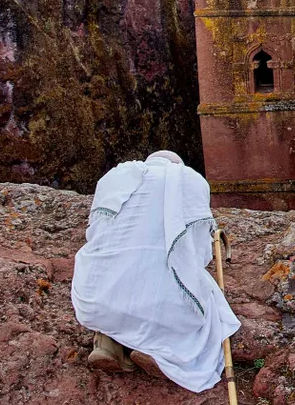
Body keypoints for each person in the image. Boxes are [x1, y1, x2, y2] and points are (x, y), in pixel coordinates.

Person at [71, 150, 241, 390]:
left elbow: (95, 234)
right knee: (202, 300)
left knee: (114, 288)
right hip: (162, 308)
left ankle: (107, 342)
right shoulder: (189, 181)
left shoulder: (115, 178)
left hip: (95, 302)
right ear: (178, 165)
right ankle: (161, 352)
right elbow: (199, 254)